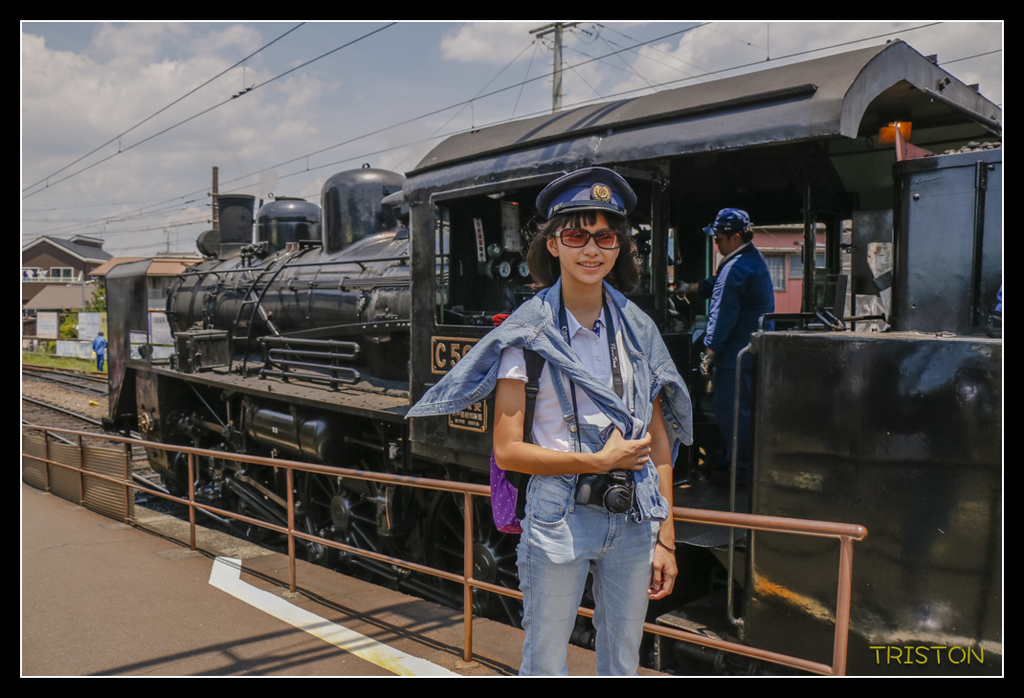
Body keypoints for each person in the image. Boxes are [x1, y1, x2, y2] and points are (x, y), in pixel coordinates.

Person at [408, 167, 692, 675]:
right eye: (576, 234)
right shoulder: (526, 334)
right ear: (553, 243)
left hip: (633, 516)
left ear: (620, 247)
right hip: (558, 513)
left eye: (605, 236)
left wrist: (665, 536)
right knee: (544, 662)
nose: (591, 249)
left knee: (623, 660)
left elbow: (659, 445)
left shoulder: (638, 333)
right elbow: (508, 451)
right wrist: (594, 459)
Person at [679, 208, 774, 477]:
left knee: (732, 414)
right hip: (750, 350)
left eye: (718, 238)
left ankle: (738, 472)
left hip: (736, 354)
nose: (715, 243)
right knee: (739, 411)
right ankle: (730, 463)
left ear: (734, 236)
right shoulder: (747, 258)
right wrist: (687, 288)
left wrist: (708, 355)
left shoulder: (736, 268)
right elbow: (713, 284)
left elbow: (721, 316)